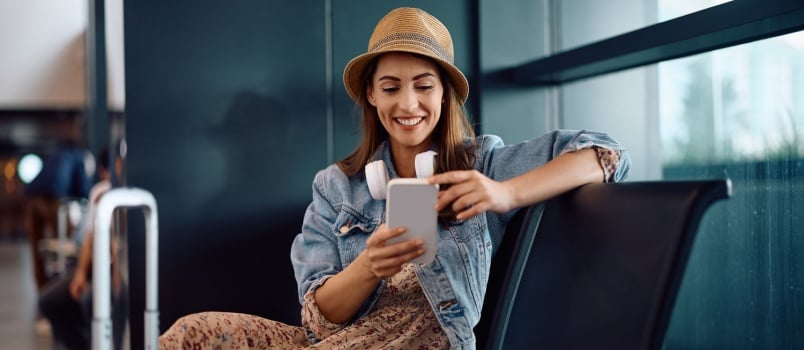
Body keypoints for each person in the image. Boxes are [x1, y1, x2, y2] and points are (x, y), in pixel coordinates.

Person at [159, 7, 630, 349]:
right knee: (189, 335)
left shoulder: (482, 164)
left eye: (424, 86)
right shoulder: (336, 188)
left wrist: (503, 193)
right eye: (391, 88)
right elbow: (319, 324)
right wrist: (369, 266)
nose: (408, 105)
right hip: (339, 342)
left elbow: (607, 153)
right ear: (371, 95)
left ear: (445, 95)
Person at [37, 145, 129, 350]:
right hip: (97, 265)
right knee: (48, 300)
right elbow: (91, 235)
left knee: (92, 299)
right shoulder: (102, 192)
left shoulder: (132, 194)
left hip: (119, 269)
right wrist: (80, 272)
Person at [24, 140, 91, 293]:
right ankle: (63, 287)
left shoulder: (56, 154)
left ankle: (42, 289)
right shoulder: (79, 156)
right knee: (68, 243)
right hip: (52, 197)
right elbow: (82, 190)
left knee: (36, 246)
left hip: (30, 197)